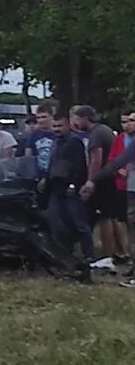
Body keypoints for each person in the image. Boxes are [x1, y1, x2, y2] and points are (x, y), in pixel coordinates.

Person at [81, 110, 135, 267]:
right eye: (127, 120)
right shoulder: (123, 141)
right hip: (127, 189)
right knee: (126, 222)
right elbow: (115, 163)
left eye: (132, 120)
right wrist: (93, 180)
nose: (128, 124)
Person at [71, 105, 125, 262]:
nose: (76, 123)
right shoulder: (106, 130)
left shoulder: (95, 134)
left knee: (103, 218)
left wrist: (90, 181)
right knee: (111, 217)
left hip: (102, 180)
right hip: (111, 178)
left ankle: (108, 255)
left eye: (77, 119)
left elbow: (96, 159)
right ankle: (118, 252)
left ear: (85, 118)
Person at [48, 112, 96, 262]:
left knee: (80, 223)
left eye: (60, 126)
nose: (57, 129)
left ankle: (89, 254)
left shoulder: (74, 142)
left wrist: (73, 184)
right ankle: (67, 252)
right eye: (54, 126)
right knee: (63, 222)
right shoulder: (56, 142)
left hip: (71, 188)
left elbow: (79, 165)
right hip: (57, 187)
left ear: (68, 125)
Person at [25, 106, 57, 209]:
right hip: (38, 175)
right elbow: (28, 155)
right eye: (38, 117)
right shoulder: (34, 134)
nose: (41, 120)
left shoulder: (58, 133)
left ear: (52, 116)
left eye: (44, 117)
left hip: (55, 175)